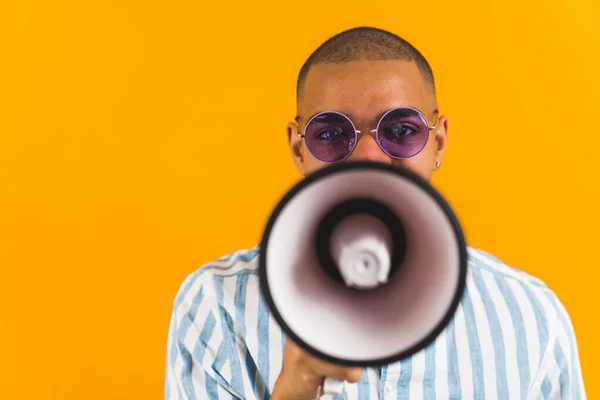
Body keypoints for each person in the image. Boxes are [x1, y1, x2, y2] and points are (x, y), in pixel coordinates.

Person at [164, 27, 586, 399]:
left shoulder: (531, 319)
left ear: (437, 143)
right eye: (331, 134)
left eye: (402, 131)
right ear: (299, 149)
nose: (368, 157)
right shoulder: (216, 309)